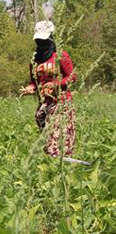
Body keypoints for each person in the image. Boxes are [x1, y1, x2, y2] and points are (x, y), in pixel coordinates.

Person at [20, 20, 76, 157]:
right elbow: (34, 82)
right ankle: (52, 168)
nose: (41, 44)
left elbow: (72, 77)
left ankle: (62, 166)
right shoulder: (34, 59)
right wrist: (30, 88)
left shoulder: (60, 56)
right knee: (48, 141)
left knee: (56, 143)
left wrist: (57, 84)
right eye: (39, 40)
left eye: (44, 40)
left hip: (60, 102)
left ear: (51, 38)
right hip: (44, 104)